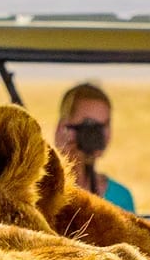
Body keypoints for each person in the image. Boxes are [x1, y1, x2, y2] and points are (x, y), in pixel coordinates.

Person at [53, 83, 135, 212]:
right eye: (90, 125)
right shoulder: (43, 192)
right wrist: (63, 161)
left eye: (105, 125)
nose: (99, 134)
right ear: (63, 128)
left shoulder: (120, 198)